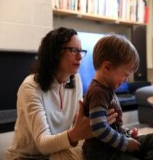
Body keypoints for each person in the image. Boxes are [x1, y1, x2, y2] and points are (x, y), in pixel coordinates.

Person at [6, 27, 118, 160]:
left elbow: (77, 123)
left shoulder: (75, 79)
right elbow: (43, 144)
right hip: (27, 157)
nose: (79, 56)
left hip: (58, 152)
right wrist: (76, 134)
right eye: (73, 50)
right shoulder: (30, 87)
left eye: (81, 51)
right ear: (54, 53)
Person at [82, 34, 153, 160]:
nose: (126, 80)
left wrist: (127, 133)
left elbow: (112, 126)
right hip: (103, 153)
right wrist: (125, 143)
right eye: (125, 74)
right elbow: (98, 128)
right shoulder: (98, 92)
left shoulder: (107, 89)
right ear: (107, 67)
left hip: (115, 145)